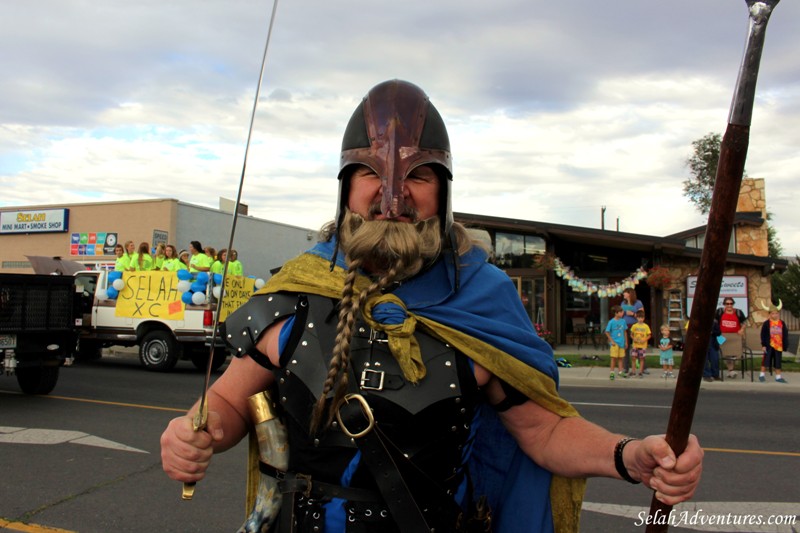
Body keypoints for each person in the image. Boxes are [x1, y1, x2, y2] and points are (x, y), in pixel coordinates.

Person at [160, 80, 702, 533]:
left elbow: (545, 432)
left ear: (442, 194)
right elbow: (227, 406)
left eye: (417, 175)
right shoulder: (299, 292)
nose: (393, 195)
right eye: (371, 171)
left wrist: (630, 456)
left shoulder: (480, 298)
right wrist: (193, 433)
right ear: (345, 188)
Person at [715, 297, 747, 378]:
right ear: (724, 304)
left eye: (731, 303)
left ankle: (730, 370)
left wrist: (742, 330)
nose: (729, 305)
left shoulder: (738, 312)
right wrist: (717, 332)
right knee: (725, 354)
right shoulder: (719, 311)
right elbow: (715, 322)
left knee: (734, 355)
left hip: (735, 336)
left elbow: (744, 322)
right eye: (727, 304)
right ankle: (730, 370)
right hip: (722, 336)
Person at [759, 300, 789, 383]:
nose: (774, 315)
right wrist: (763, 345)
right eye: (772, 313)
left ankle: (778, 377)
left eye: (776, 313)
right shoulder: (766, 323)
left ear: (778, 314)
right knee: (766, 360)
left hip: (778, 346)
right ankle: (762, 375)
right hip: (769, 345)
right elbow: (763, 334)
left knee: (778, 361)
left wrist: (785, 344)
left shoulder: (782, 323)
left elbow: (785, 334)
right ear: (769, 314)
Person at [621, 288, 644, 374]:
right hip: (625, 327)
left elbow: (642, 314)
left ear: (629, 294)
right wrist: (622, 312)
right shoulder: (623, 303)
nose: (623, 294)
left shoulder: (638, 303)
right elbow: (620, 314)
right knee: (626, 347)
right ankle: (625, 367)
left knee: (638, 346)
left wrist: (633, 314)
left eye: (625, 293)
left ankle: (642, 368)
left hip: (635, 327)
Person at [605, 305, 628, 380]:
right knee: (613, 358)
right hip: (614, 343)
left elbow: (625, 332)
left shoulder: (623, 321)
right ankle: (612, 372)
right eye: (621, 312)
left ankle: (620, 371)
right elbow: (607, 332)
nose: (622, 313)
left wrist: (626, 342)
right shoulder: (611, 322)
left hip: (621, 342)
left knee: (621, 358)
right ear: (616, 313)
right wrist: (611, 341)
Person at [629, 310, 651, 378]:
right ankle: (633, 371)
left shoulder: (646, 326)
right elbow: (631, 334)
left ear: (644, 318)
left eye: (642, 318)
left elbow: (649, 335)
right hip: (635, 345)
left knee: (641, 358)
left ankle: (640, 372)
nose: (640, 319)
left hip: (642, 345)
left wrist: (644, 339)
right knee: (633, 357)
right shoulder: (634, 326)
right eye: (639, 318)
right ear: (637, 318)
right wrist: (633, 338)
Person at [703, 318, 721, 383]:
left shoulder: (715, 322)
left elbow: (719, 332)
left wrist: (712, 332)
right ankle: (706, 375)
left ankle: (715, 374)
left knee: (715, 359)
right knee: (705, 360)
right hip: (703, 342)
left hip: (713, 343)